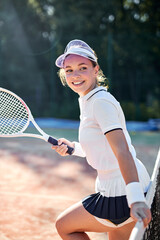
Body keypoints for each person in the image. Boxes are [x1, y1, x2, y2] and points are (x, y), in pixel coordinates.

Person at [52, 39, 151, 240]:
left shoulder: (99, 103)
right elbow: (103, 148)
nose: (75, 75)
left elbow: (121, 150)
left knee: (64, 226)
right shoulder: (90, 99)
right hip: (127, 186)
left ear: (95, 70)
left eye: (82, 68)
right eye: (69, 70)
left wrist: (135, 200)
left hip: (121, 194)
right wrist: (73, 148)